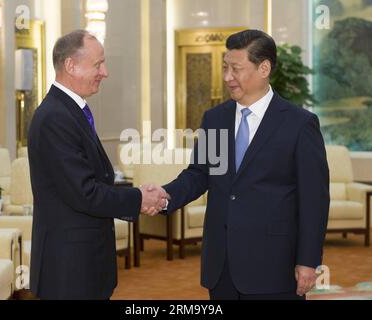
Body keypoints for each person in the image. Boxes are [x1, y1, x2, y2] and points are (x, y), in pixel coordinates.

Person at [156, 29, 330, 300]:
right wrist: (164, 196)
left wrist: (308, 261)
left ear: (264, 68)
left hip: (274, 267)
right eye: (225, 68)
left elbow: (314, 200)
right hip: (221, 266)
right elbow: (200, 174)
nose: (227, 77)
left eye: (235, 69)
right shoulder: (215, 119)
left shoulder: (300, 124)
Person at [28, 30, 168, 300]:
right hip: (69, 271)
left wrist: (136, 195)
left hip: (83, 265)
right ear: (70, 65)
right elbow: (85, 192)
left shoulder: (70, 111)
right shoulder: (55, 118)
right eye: (97, 64)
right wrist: (139, 198)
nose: (104, 72)